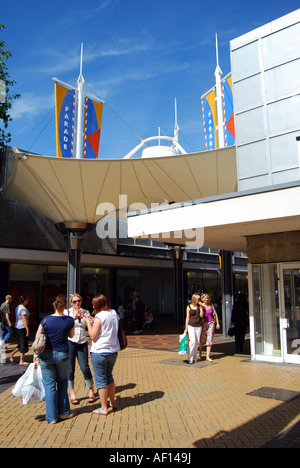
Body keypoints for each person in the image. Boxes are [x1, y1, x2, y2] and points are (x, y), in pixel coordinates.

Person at [33, 295, 75, 424]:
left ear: (54, 305)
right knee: (62, 383)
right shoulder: (69, 320)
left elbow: (37, 337)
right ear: (65, 306)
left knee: (50, 386)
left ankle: (51, 417)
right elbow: (72, 335)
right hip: (62, 354)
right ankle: (64, 412)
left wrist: (35, 355)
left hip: (46, 355)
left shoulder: (46, 320)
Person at [83, 294, 119, 415]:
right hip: (112, 351)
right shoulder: (113, 313)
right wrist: (94, 321)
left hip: (100, 352)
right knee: (109, 376)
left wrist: (88, 322)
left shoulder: (99, 316)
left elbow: (93, 336)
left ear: (97, 305)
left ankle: (103, 408)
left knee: (101, 380)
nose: (92, 306)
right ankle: (113, 402)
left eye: (94, 304)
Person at [64, 293, 95, 405]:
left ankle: (91, 389)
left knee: (85, 366)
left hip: (82, 341)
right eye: (74, 301)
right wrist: (73, 317)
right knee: (70, 368)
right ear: (71, 302)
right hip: (70, 341)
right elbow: (65, 325)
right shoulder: (66, 312)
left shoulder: (85, 311)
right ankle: (72, 391)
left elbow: (89, 325)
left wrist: (83, 318)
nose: (77, 303)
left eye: (78, 301)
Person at [8, 295, 30, 366]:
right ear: (25, 301)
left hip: (17, 326)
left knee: (22, 343)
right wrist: (27, 329)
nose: (28, 301)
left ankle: (11, 354)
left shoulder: (18, 307)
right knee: (23, 343)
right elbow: (24, 319)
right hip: (22, 327)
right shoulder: (23, 309)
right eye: (27, 299)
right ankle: (21, 360)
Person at [199, 293, 220, 362]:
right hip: (204, 324)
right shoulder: (201, 305)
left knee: (209, 339)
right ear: (202, 299)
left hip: (211, 323)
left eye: (207, 298)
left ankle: (207, 356)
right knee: (202, 339)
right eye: (205, 298)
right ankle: (200, 351)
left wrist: (217, 323)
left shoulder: (211, 305)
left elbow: (215, 314)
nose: (206, 299)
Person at [184, 294, 204, 364]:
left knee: (197, 342)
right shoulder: (189, 307)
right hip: (191, 325)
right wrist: (186, 327)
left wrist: (201, 307)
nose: (199, 301)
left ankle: (195, 356)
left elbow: (201, 315)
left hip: (198, 325)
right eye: (198, 299)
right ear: (195, 299)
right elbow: (187, 317)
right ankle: (190, 357)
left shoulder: (199, 307)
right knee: (192, 341)